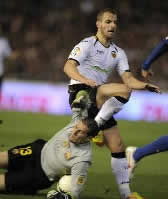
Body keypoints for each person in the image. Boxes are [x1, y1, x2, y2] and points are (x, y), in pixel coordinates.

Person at [64, 8, 160, 199]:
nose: (113, 25)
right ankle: (96, 128)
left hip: (99, 97)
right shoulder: (87, 44)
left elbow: (129, 80)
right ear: (98, 24)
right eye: (108, 21)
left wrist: (145, 85)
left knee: (117, 145)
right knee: (122, 91)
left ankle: (126, 195)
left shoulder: (118, 52)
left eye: (115, 22)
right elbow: (68, 66)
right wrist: (84, 79)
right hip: (81, 93)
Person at [0, 109, 96, 199]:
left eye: (80, 132)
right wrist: (78, 94)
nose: (74, 132)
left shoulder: (82, 160)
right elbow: (76, 102)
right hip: (36, 151)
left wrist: (65, 197)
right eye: (76, 127)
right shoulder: (76, 121)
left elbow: (75, 191)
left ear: (89, 138)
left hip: (37, 175)